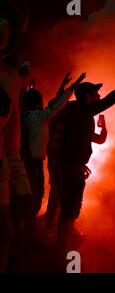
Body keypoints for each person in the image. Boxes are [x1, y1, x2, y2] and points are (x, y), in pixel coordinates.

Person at [56, 73, 115, 246]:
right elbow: (111, 99)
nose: (99, 96)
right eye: (96, 93)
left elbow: (98, 139)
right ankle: (62, 254)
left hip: (70, 168)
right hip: (71, 171)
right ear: (87, 97)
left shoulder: (77, 113)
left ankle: (62, 246)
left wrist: (103, 128)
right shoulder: (82, 111)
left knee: (66, 212)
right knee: (69, 213)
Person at [20, 72, 85, 239]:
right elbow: (56, 106)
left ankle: (26, 235)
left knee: (31, 200)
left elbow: (55, 105)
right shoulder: (38, 118)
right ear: (37, 104)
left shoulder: (26, 117)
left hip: (28, 162)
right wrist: (73, 86)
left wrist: (63, 87)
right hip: (33, 164)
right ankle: (27, 237)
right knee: (34, 201)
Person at [0, 4, 32, 271]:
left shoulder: (10, 79)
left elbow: (11, 144)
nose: (2, 29)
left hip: (0, 193)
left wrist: (21, 187)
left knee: (3, 237)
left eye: (6, 24)